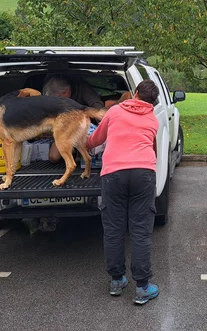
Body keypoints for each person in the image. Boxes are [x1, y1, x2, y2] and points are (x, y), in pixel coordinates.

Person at [87, 79, 160, 305]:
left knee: (114, 229)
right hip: (144, 174)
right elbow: (152, 147)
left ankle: (117, 280)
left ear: (135, 93)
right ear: (153, 101)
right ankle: (143, 287)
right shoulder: (152, 119)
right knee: (140, 231)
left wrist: (87, 144)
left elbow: (96, 139)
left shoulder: (116, 110)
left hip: (113, 174)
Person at [42, 75, 104, 163]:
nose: (57, 100)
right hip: (62, 129)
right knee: (54, 157)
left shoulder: (83, 88)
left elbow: (96, 105)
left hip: (83, 126)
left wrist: (101, 122)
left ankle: (79, 155)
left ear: (67, 91)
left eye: (59, 97)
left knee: (83, 155)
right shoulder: (50, 91)